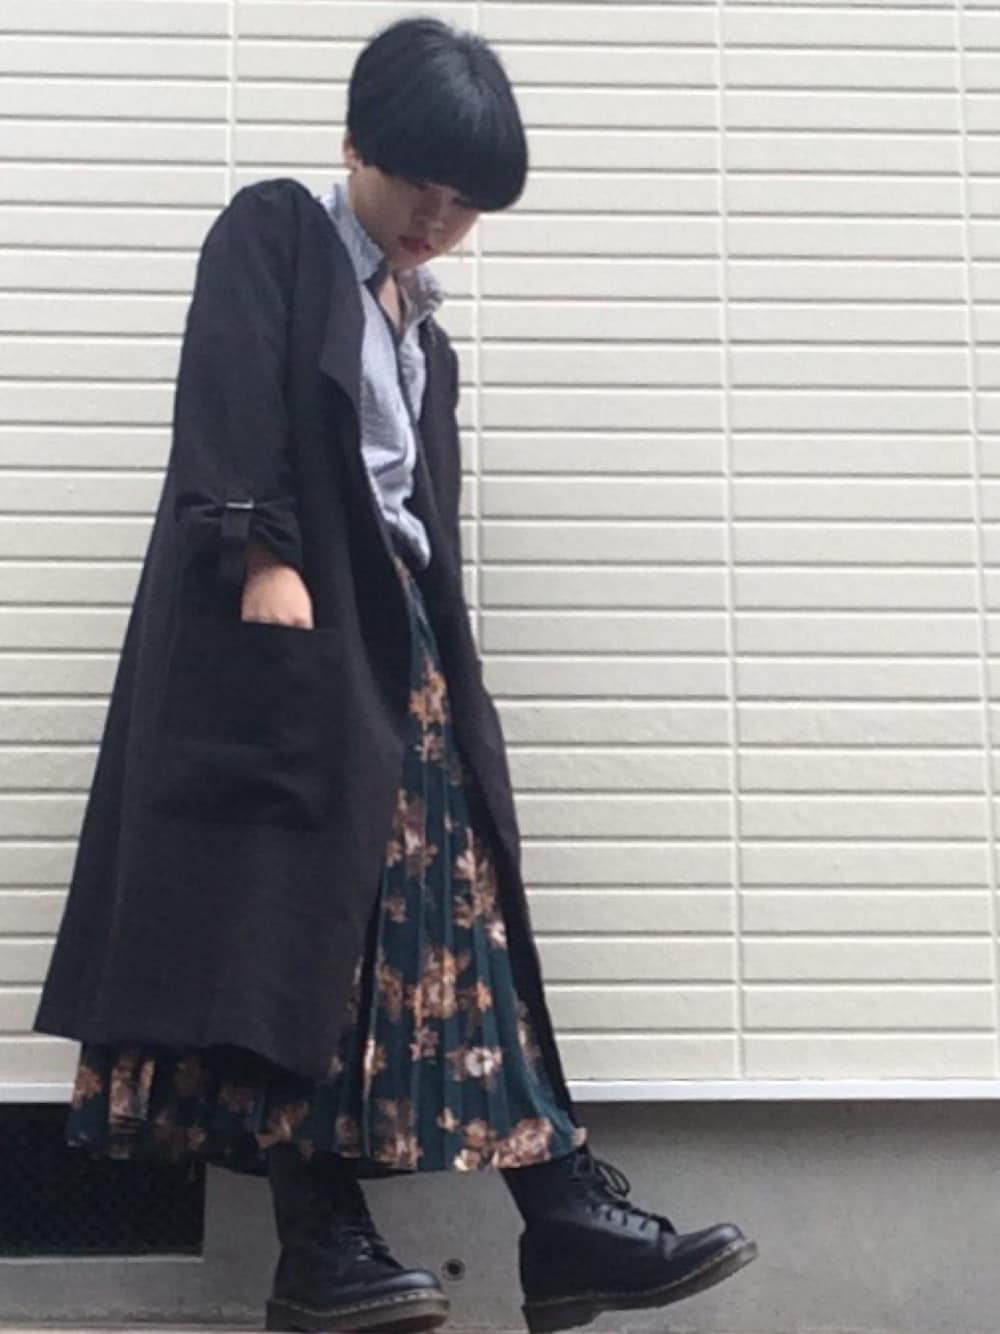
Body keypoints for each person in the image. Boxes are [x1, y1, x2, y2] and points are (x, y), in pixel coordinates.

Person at [34, 16, 757, 1334]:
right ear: (355, 143)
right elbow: (228, 397)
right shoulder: (277, 233)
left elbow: (414, 514)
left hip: (394, 646)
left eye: (464, 202)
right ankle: (340, 1243)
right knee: (294, 934)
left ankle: (552, 1216)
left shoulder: (426, 333)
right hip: (287, 636)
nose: (436, 218)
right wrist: (262, 554)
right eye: (418, 182)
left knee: (444, 920)